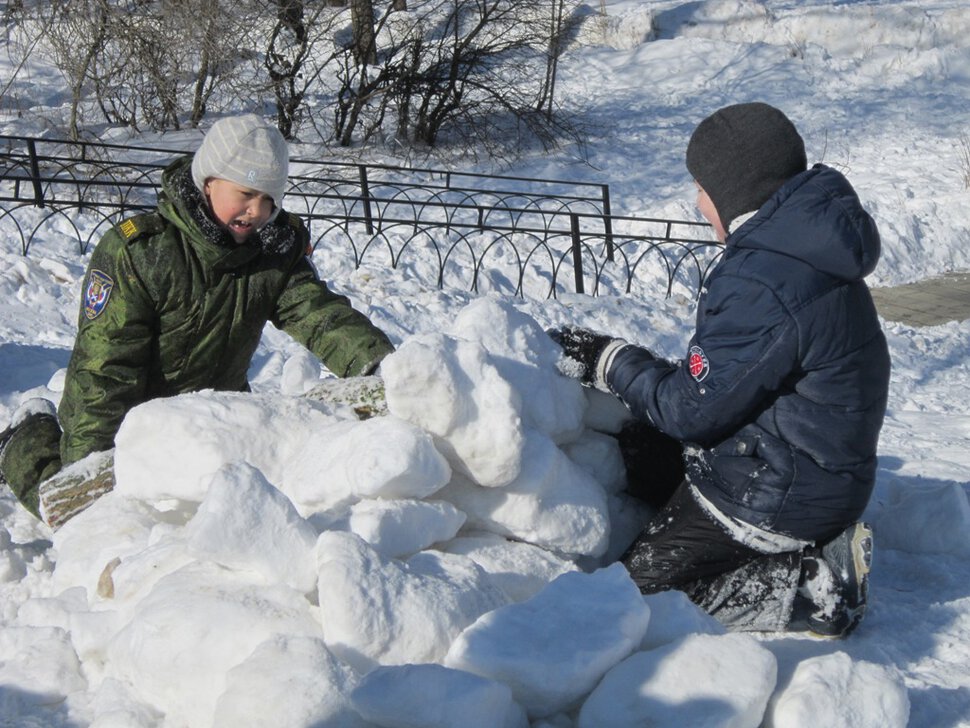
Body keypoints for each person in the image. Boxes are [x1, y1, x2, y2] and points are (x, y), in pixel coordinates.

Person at [549, 102, 890, 638]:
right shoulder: (801, 246)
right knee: (635, 447)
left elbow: (692, 411)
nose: (696, 200)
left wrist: (609, 361)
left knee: (633, 597)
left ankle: (816, 588)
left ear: (735, 188)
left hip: (781, 493)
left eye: (701, 186)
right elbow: (728, 380)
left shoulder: (767, 277)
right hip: (806, 463)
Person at [0, 114, 394, 520]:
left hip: (214, 422)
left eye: (269, 200)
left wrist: (380, 365)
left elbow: (318, 313)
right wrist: (89, 463)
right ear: (209, 182)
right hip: (130, 424)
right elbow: (105, 369)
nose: (257, 210)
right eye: (245, 192)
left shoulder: (272, 252)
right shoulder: (142, 253)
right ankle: (23, 438)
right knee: (75, 514)